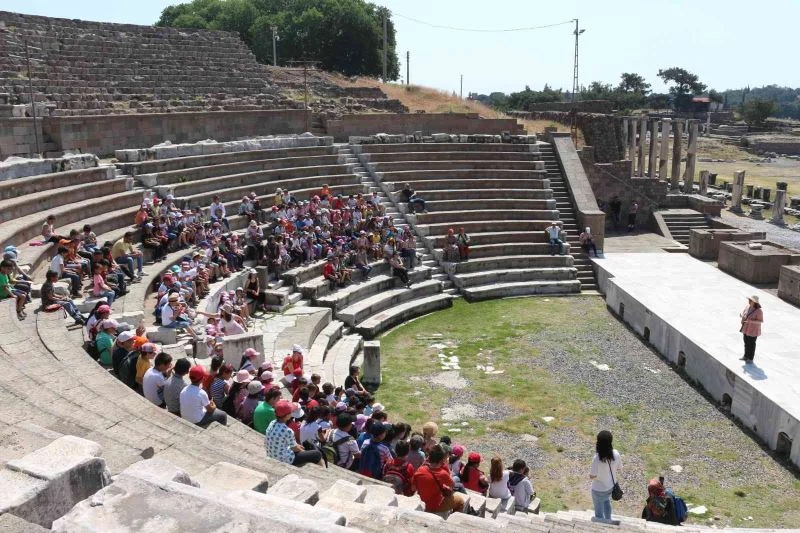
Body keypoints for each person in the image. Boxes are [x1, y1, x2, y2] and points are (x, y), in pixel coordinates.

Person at [265, 400, 322, 467]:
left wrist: (299, 447)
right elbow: (294, 448)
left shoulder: (272, 423)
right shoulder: (288, 430)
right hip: (286, 459)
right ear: (287, 416)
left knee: (301, 447)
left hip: (272, 454)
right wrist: (305, 452)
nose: (292, 412)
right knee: (317, 454)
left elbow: (292, 444)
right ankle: (324, 472)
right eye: (291, 411)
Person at [413, 444, 465, 514]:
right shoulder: (442, 473)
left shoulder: (420, 470)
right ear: (442, 460)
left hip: (421, 501)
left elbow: (413, 487)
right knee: (460, 501)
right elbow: (452, 485)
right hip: (434, 506)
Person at [589, 430, 622, 521]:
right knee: (606, 501)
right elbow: (619, 468)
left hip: (598, 489)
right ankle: (608, 519)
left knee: (599, 512)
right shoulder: (616, 453)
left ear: (598, 443)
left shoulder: (597, 458)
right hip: (610, 486)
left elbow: (592, 476)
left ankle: (603, 525)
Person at [739, 295, 764, 363]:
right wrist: (742, 316)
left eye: (750, 300)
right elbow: (744, 313)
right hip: (746, 328)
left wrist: (751, 321)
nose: (749, 301)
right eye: (749, 300)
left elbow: (761, 321)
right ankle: (745, 356)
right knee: (746, 342)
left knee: (751, 344)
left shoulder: (759, 311)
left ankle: (750, 358)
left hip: (753, 330)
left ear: (754, 302)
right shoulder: (748, 307)